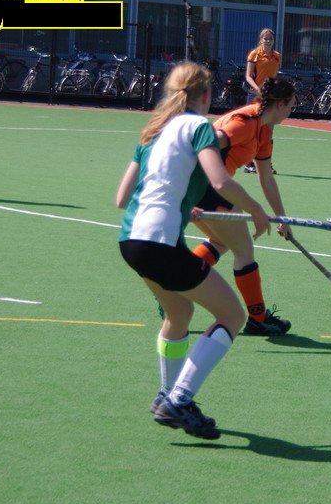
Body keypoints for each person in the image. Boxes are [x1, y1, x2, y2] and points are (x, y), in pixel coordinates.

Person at [116, 61, 272, 440]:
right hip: (159, 242)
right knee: (232, 315)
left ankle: (167, 396)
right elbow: (220, 181)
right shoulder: (199, 127)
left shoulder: (153, 130)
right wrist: (255, 209)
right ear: (205, 95)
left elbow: (122, 197)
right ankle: (180, 399)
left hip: (130, 240)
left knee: (180, 313)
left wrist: (183, 205)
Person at [192, 76, 296, 336]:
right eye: (291, 106)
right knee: (243, 249)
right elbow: (204, 143)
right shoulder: (245, 123)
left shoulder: (264, 130)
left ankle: (174, 282)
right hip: (209, 186)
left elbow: (266, 178)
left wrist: (282, 218)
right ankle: (258, 319)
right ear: (280, 104)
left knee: (221, 242)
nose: (291, 111)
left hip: (211, 189)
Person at [243, 28, 281, 173]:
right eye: (265, 38)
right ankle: (248, 164)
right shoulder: (254, 54)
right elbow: (248, 76)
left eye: (270, 38)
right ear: (261, 39)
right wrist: (258, 89)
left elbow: (273, 76)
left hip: (270, 97)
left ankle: (267, 164)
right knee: (253, 131)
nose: (268, 41)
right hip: (255, 96)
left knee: (268, 132)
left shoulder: (277, 56)